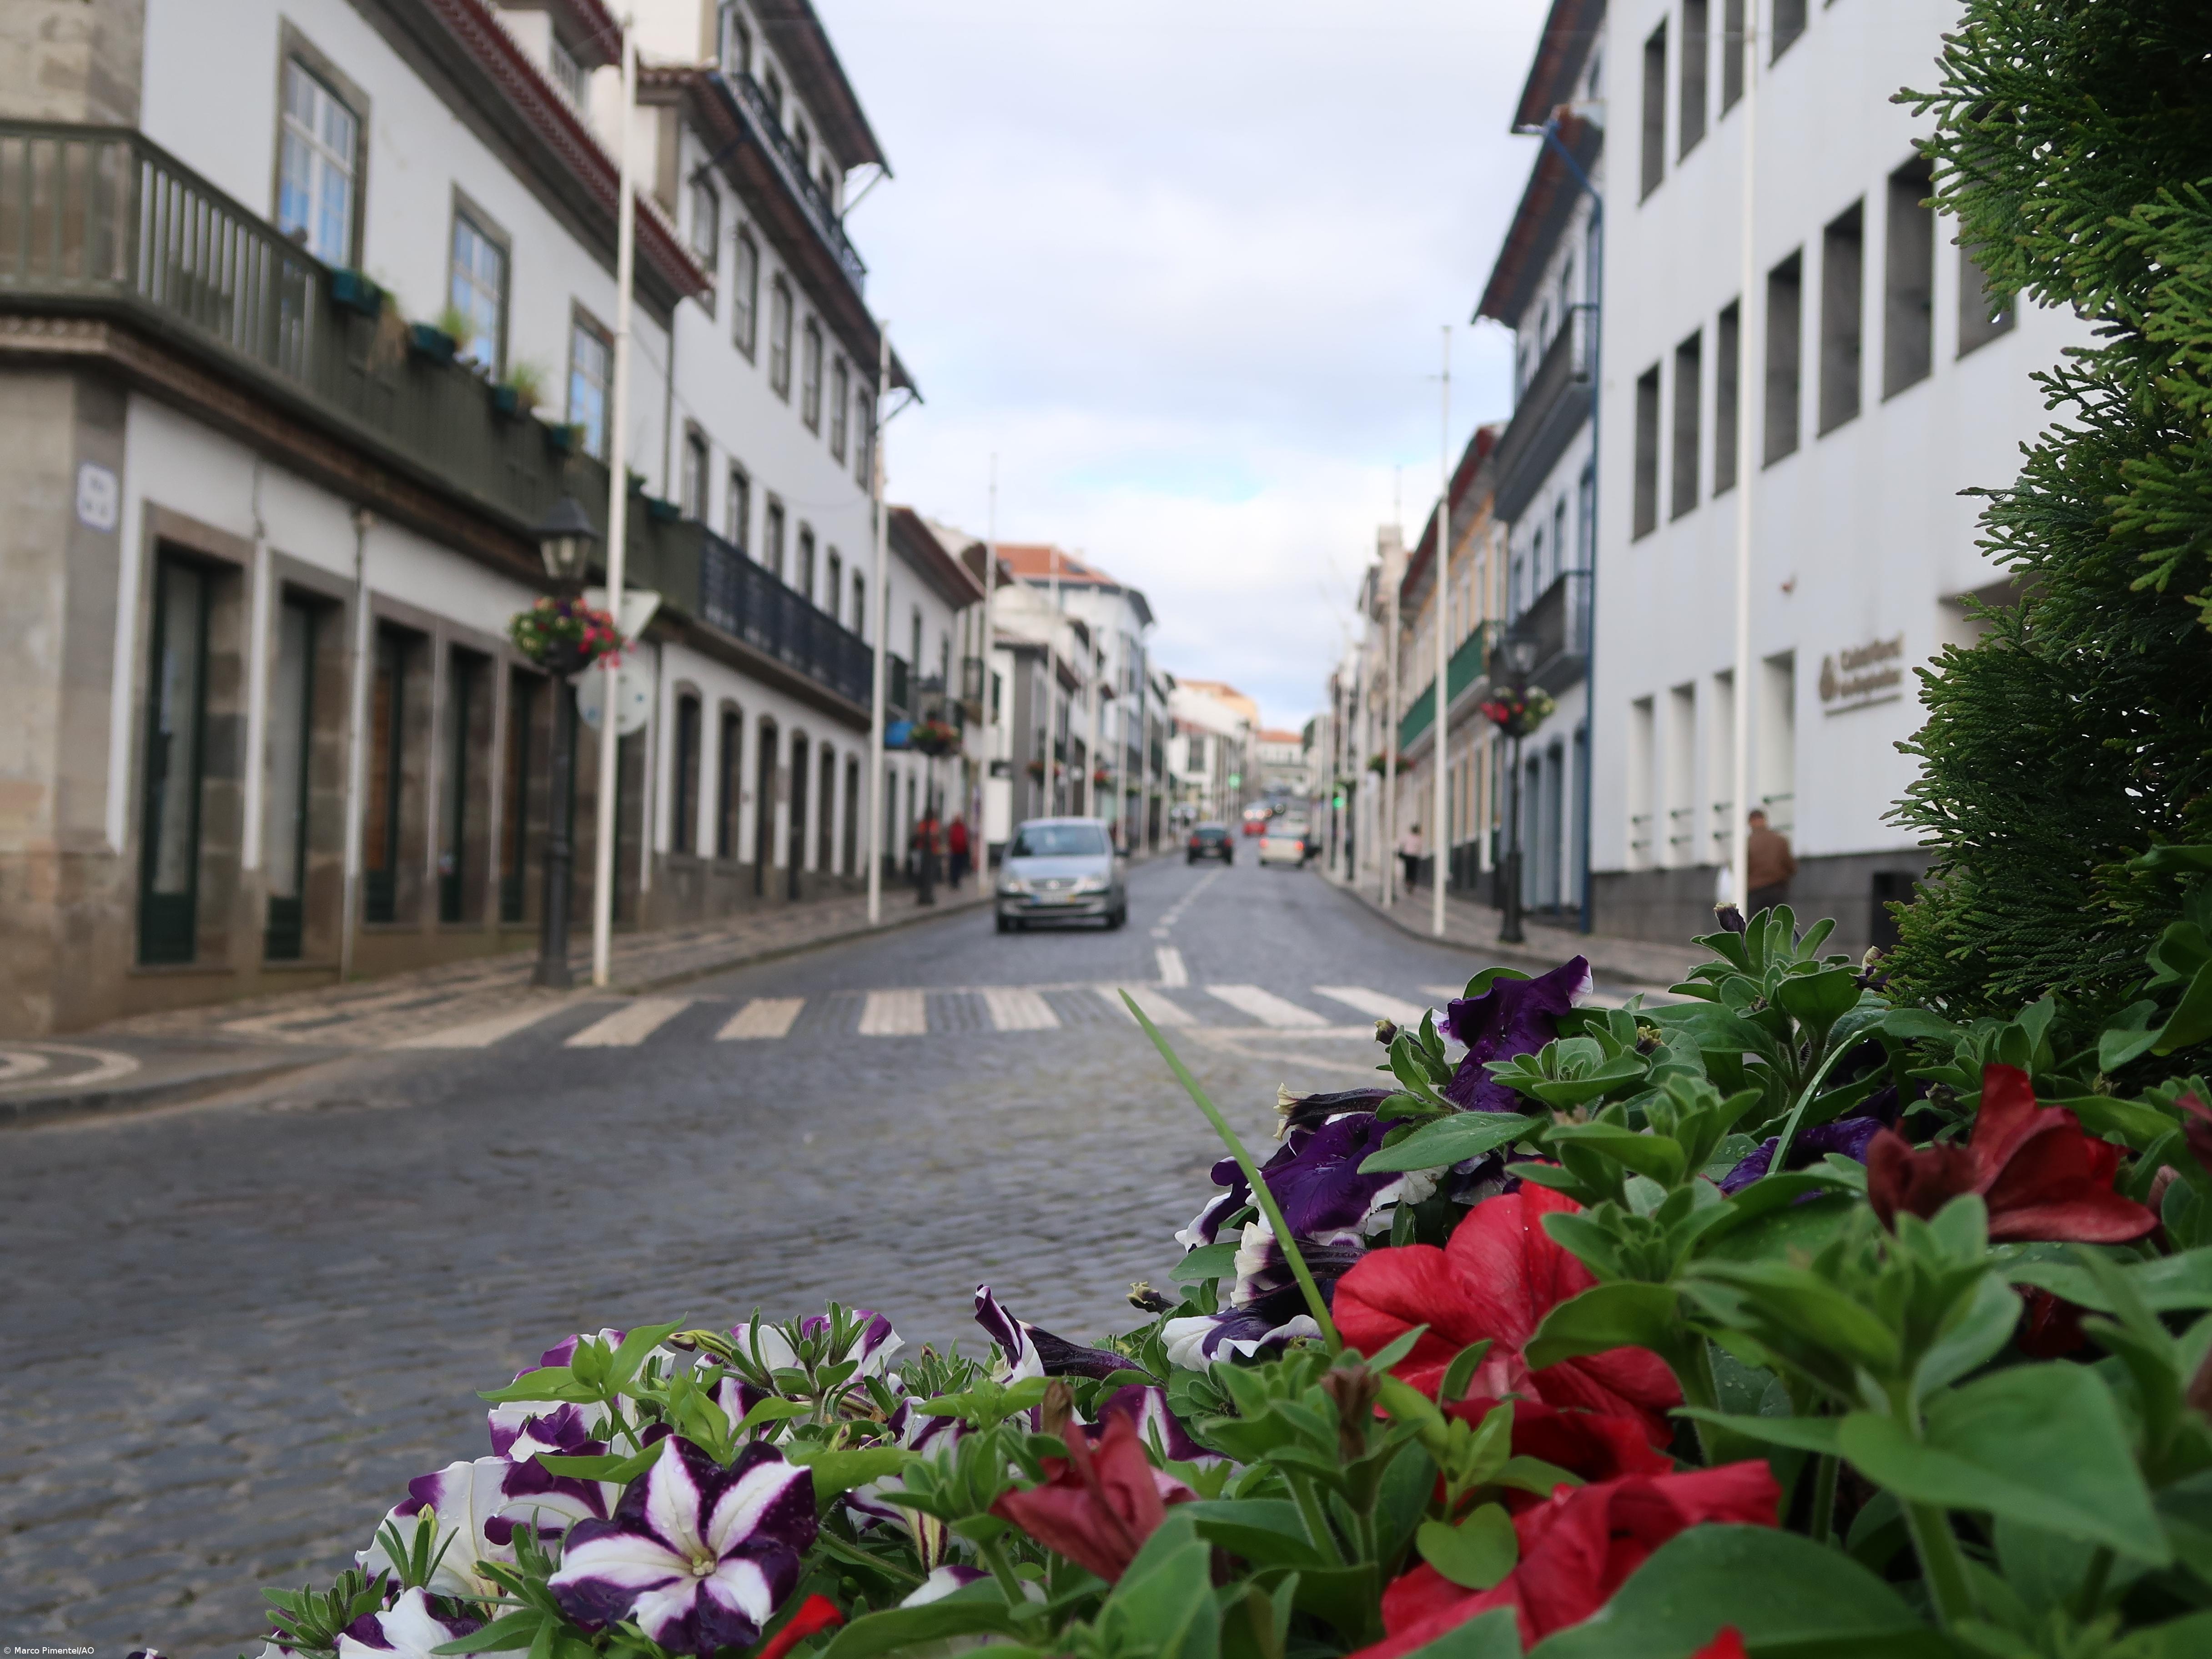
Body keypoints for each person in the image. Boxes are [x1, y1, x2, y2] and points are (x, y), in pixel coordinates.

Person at [1745, 809, 1798, 915]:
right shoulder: (1780, 840)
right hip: (1777, 888)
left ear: (1750, 822)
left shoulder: (1746, 843)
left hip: (1754, 890)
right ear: (1765, 820)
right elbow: (1791, 866)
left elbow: (1740, 869)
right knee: (1777, 922)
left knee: (1756, 924)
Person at [1398, 823, 1423, 895]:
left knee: (1408, 870)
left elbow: (1402, 845)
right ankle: (1411, 883)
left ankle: (1408, 882)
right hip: (1415, 857)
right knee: (1413, 871)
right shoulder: (1419, 838)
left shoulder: (1408, 837)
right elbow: (1420, 848)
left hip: (1408, 856)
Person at [947, 815, 971, 890]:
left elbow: (965, 838)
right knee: (955, 867)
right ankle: (954, 882)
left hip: (960, 851)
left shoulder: (961, 827)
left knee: (957, 867)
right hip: (956, 851)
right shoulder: (955, 828)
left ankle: (956, 882)